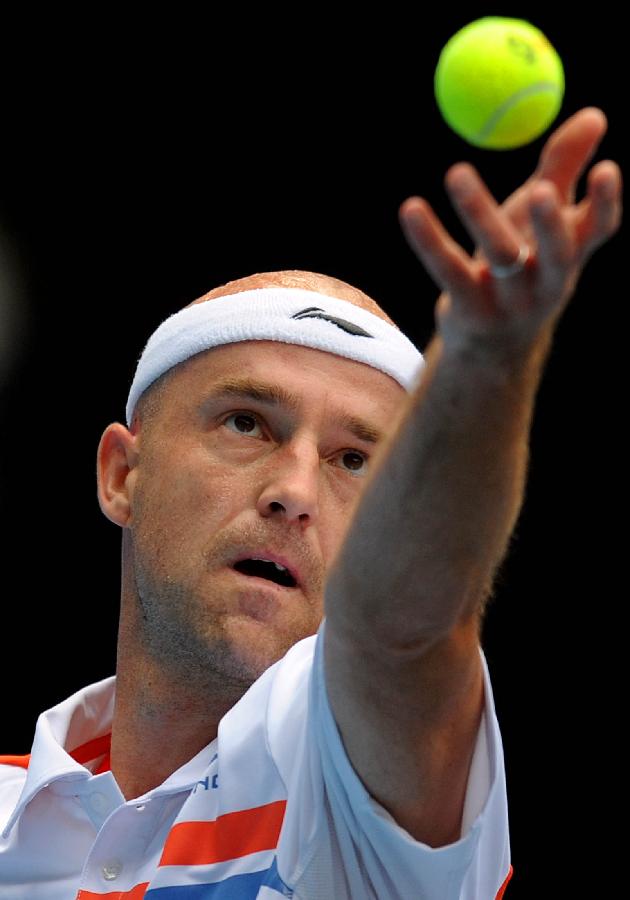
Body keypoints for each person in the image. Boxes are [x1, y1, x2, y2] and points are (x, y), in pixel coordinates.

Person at [0, 106, 621, 899]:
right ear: (123, 473)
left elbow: (403, 626)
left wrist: (487, 362)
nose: (294, 492)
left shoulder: (359, 816)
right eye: (247, 423)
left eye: (354, 460)